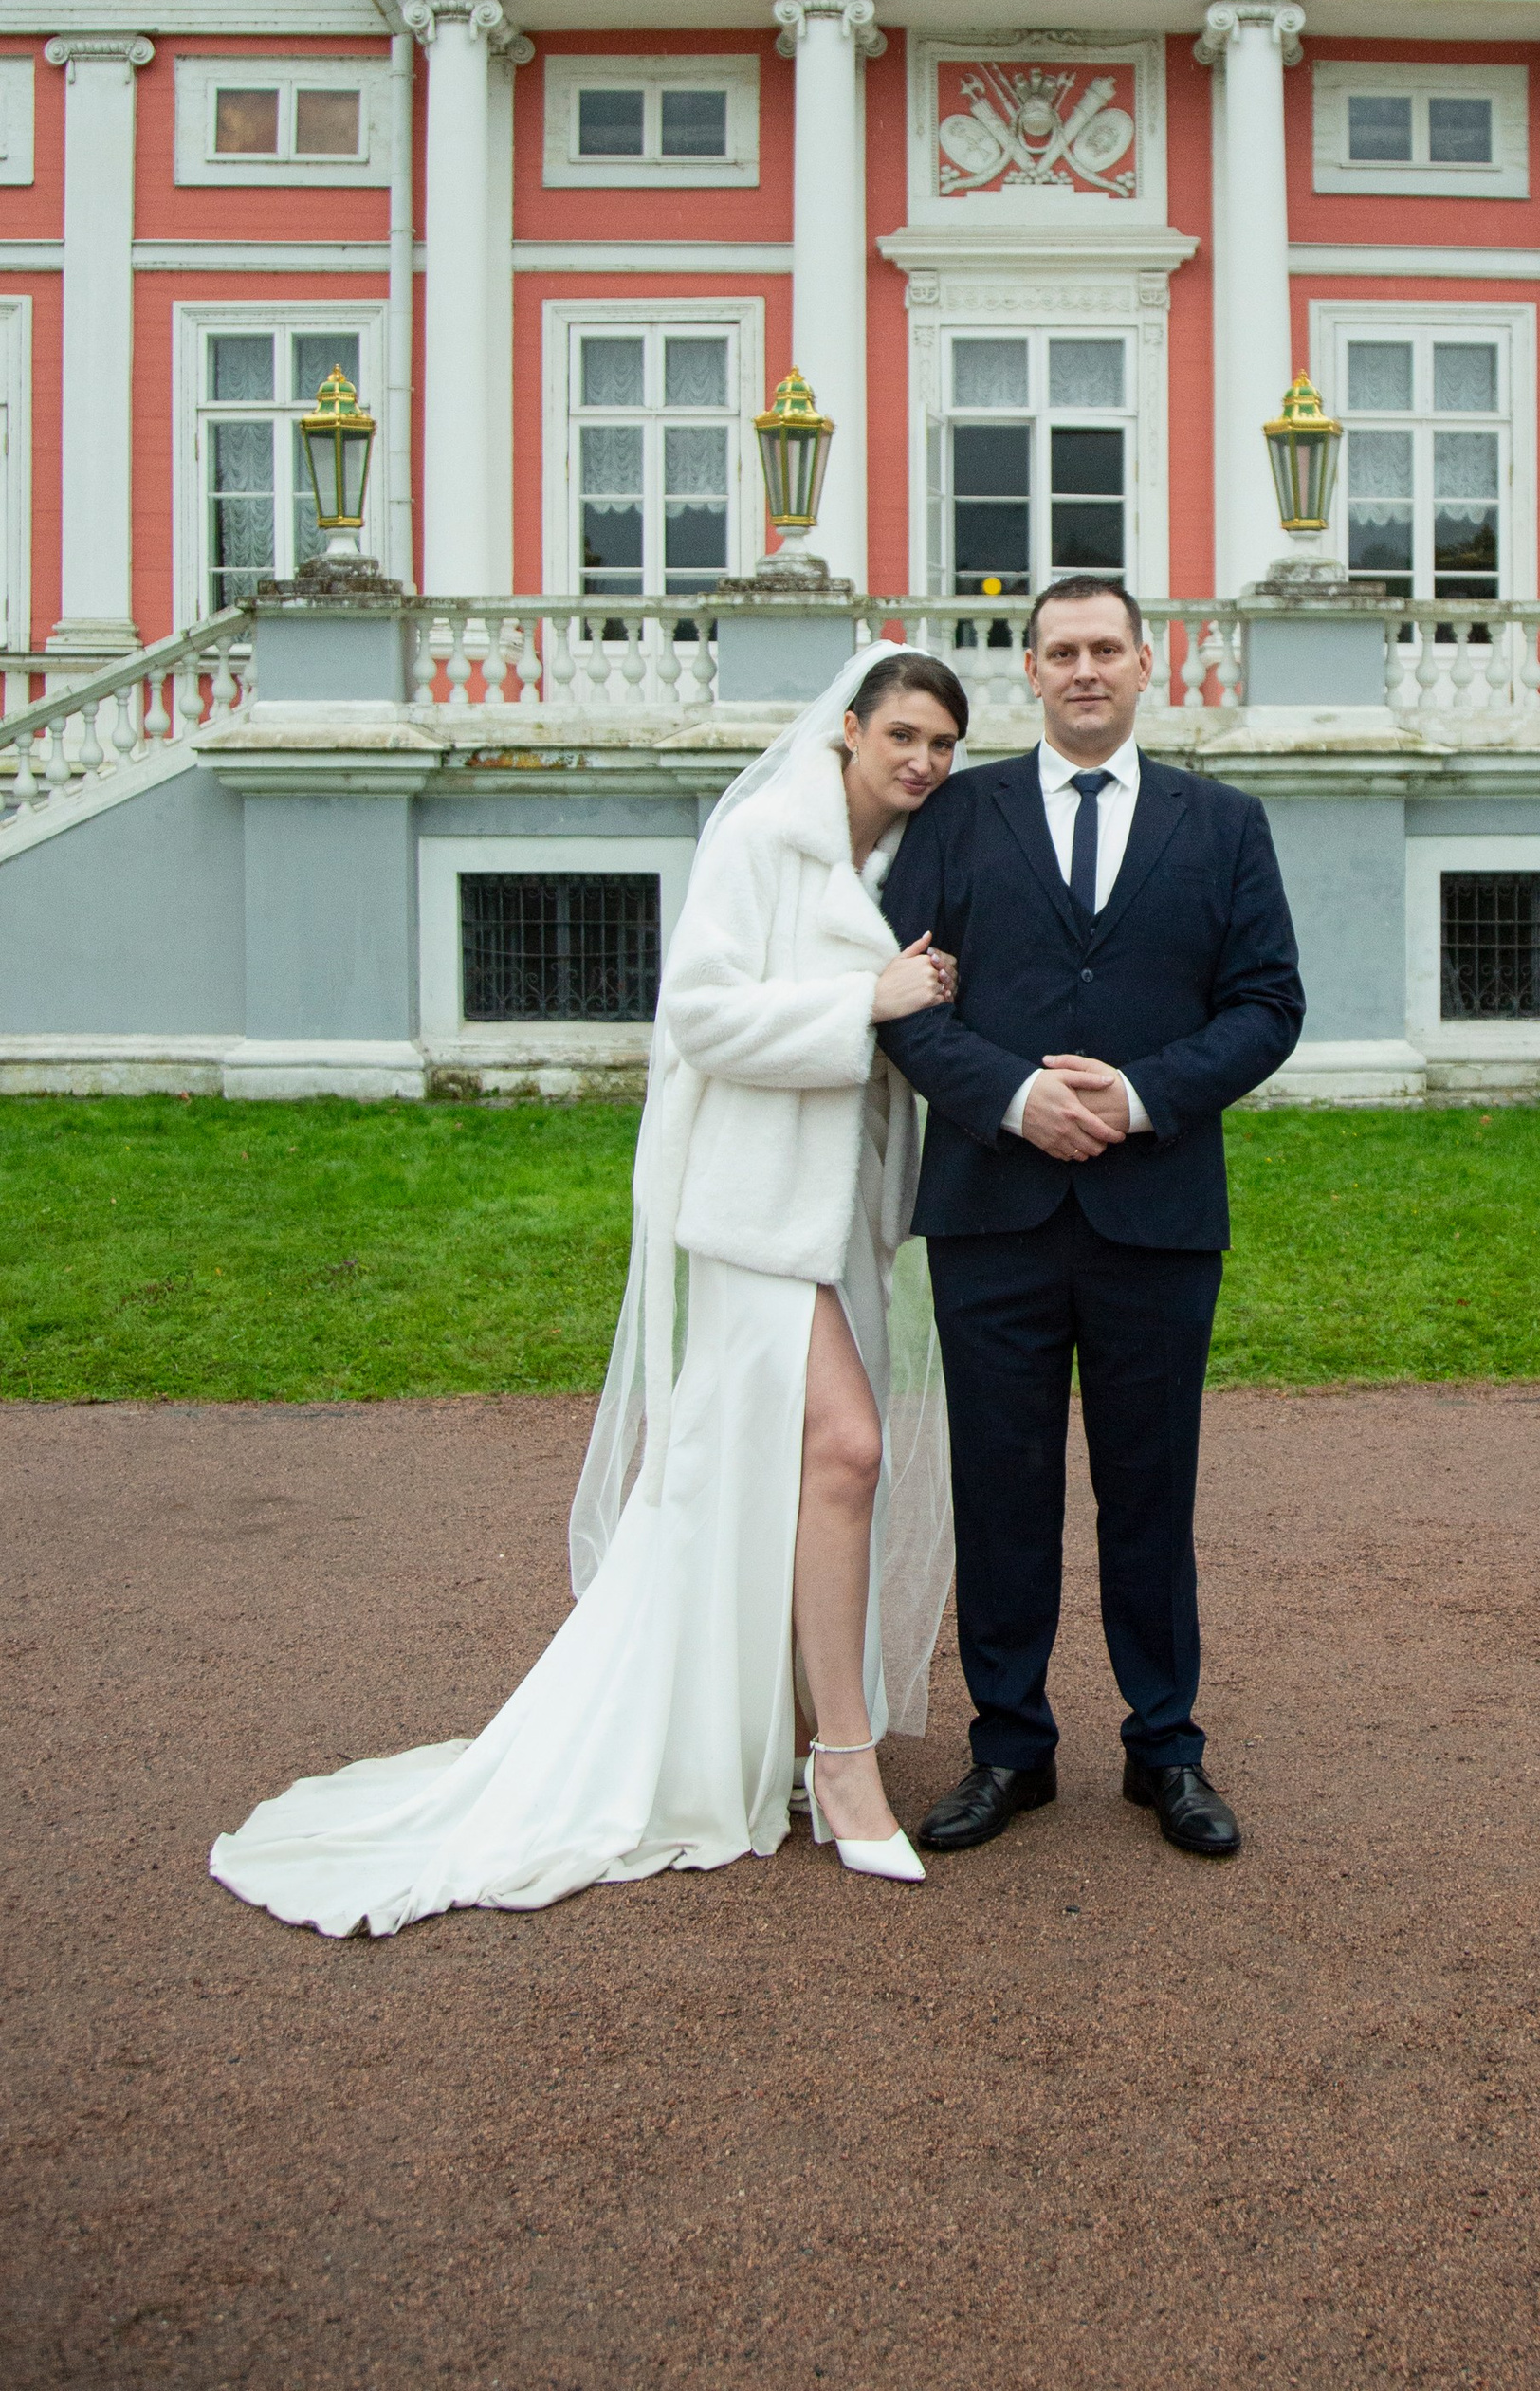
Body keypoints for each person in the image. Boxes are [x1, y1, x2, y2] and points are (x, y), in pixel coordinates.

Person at [209, 644, 968, 1934]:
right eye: (903, 733)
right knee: (844, 1447)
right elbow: (701, 1017)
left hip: (829, 1216)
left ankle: (774, 1725)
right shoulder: (765, 839)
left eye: (943, 744)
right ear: (847, 727)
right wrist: (868, 997)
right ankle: (841, 1760)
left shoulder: (896, 865)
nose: (923, 761)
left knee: (774, 1476)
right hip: (745, 1216)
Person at [875, 576, 1305, 1863]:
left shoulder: (1222, 822)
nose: (1083, 670)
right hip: (994, 1208)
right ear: (1031, 667)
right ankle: (1009, 1745)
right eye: (1059, 650)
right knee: (1001, 1486)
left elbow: (1268, 1003)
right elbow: (901, 1001)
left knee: (1149, 1489)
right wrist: (1010, 1097)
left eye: (1104, 648)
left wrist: (1137, 1094)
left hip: (1157, 1210)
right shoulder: (955, 814)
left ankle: (1163, 1745)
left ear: (1145, 662)